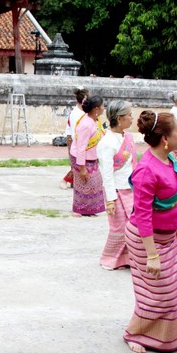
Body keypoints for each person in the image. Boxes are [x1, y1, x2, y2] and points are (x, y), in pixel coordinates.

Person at [123, 111, 177, 353]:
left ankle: (166, 337)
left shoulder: (171, 158)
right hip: (146, 240)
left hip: (168, 236)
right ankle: (135, 334)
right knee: (155, 294)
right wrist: (152, 255)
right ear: (165, 138)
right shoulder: (146, 170)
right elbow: (142, 215)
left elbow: (176, 202)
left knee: (176, 288)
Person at [96, 101, 136, 270]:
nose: (132, 118)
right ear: (120, 119)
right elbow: (107, 174)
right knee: (119, 228)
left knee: (133, 227)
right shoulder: (107, 143)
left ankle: (129, 259)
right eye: (129, 115)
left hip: (132, 189)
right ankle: (109, 258)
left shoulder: (128, 137)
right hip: (117, 191)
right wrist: (111, 200)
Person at [69, 95, 106, 216]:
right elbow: (81, 147)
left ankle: (90, 209)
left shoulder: (95, 121)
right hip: (81, 159)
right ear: (96, 109)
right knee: (83, 184)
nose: (103, 108)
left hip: (92, 157)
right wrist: (82, 167)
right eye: (102, 106)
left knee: (94, 184)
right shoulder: (86, 124)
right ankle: (79, 209)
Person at [61, 87, 89, 189]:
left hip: (79, 139)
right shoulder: (76, 114)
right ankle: (65, 179)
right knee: (77, 162)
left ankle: (74, 182)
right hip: (73, 138)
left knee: (79, 162)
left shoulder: (83, 112)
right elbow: (74, 132)